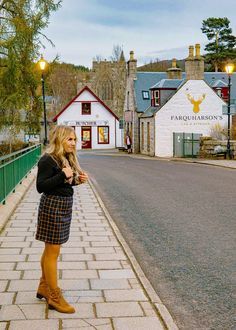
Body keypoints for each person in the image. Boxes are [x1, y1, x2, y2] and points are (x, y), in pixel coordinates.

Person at [35, 125, 88, 313]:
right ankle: (54, 297)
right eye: (70, 139)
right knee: (52, 252)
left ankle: (44, 286)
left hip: (64, 206)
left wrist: (77, 180)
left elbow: (65, 184)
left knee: (50, 250)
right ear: (59, 139)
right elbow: (41, 186)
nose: (74, 143)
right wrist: (61, 175)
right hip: (52, 207)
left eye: (74, 140)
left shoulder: (65, 159)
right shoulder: (47, 160)